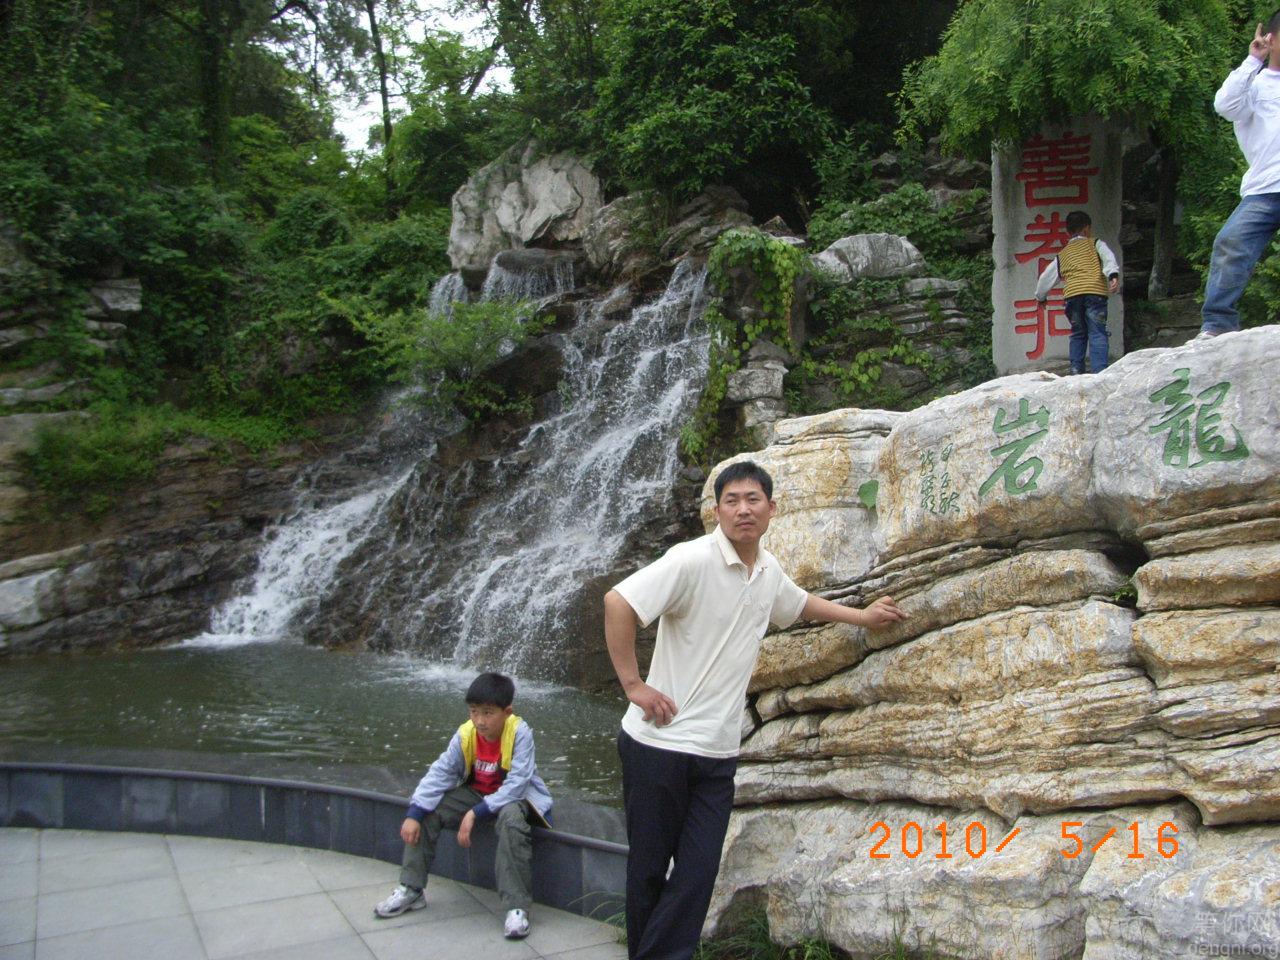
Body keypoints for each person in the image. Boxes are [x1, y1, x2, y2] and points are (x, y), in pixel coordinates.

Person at [603, 460, 907, 960]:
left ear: (771, 509)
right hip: (657, 744)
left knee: (698, 873)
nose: (743, 509)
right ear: (717, 510)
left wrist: (864, 617)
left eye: (753, 499)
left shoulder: (767, 571)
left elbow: (800, 603)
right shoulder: (691, 560)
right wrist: (634, 685)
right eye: (732, 500)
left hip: (718, 754)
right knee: (649, 871)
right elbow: (619, 602)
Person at [373, 671, 552, 940]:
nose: (480, 720)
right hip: (476, 794)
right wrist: (415, 812)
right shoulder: (466, 734)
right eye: (474, 711)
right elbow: (441, 772)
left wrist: (475, 813)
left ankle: (516, 908)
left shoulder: (520, 733)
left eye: (488, 713)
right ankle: (411, 889)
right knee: (428, 811)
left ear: (507, 712)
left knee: (512, 821)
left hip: (516, 799)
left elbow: (517, 784)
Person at [1199, 15, 1280, 339]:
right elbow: (1225, 105)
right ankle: (1218, 324)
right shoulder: (1253, 85)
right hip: (1265, 188)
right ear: (1271, 39)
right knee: (1231, 242)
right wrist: (1253, 60)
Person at [1034, 210, 1120, 374]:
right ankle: (1099, 371)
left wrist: (1041, 297)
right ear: (1087, 229)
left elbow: (1046, 277)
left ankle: (1076, 371)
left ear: (1068, 232)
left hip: (1072, 296)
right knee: (1097, 332)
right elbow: (1108, 257)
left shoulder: (1063, 254)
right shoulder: (1095, 243)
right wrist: (1112, 275)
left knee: (1078, 333)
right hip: (1094, 293)